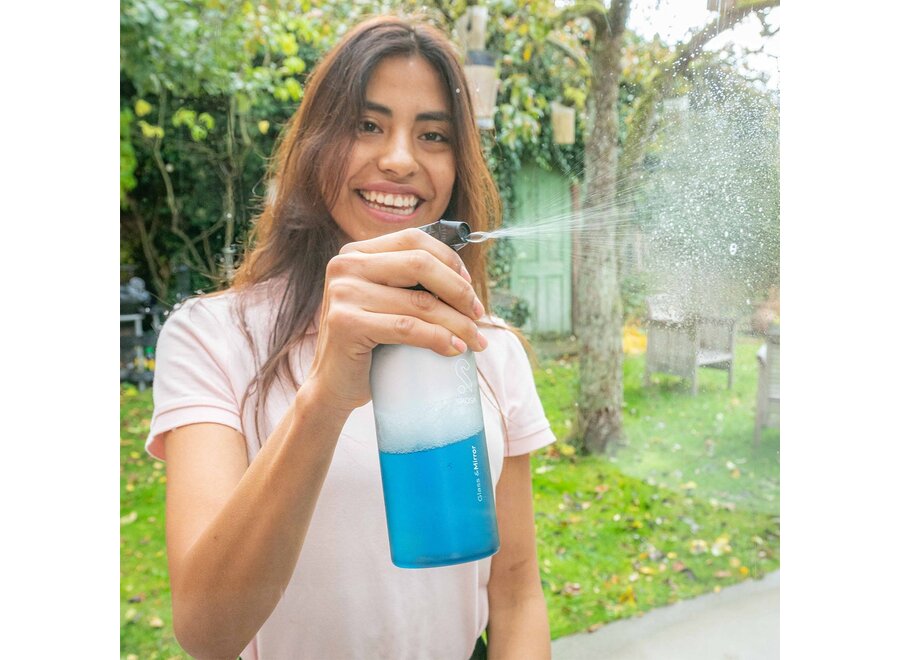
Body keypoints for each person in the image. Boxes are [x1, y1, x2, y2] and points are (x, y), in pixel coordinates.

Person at [147, 14, 555, 660]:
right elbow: (205, 630)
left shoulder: (487, 347)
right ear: (315, 145)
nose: (399, 159)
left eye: (433, 135)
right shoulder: (213, 337)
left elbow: (515, 593)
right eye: (367, 125)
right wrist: (325, 397)